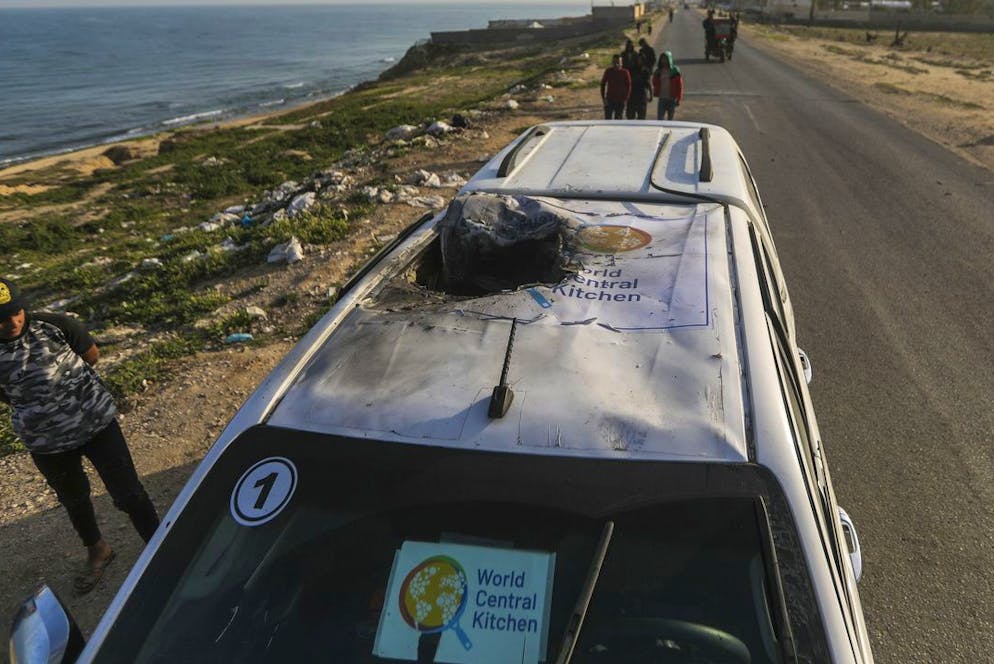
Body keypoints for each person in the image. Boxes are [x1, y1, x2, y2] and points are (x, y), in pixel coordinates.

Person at [0, 278, 159, 595]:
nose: (10, 322)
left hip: (97, 425)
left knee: (129, 493)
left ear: (21, 306)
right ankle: (98, 549)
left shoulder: (54, 325)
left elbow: (91, 355)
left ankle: (159, 545)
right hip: (47, 443)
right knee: (74, 498)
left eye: (14, 312)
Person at [652, 51, 684, 121]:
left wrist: (678, 99)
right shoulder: (659, 71)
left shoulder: (675, 71)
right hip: (662, 98)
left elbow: (680, 86)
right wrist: (656, 75)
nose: (664, 61)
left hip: (672, 99)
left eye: (666, 59)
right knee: (660, 119)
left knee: (670, 120)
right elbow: (654, 83)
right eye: (662, 59)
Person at [600, 54, 631, 120]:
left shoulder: (625, 72)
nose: (616, 64)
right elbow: (603, 84)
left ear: (621, 63)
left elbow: (629, 86)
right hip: (609, 100)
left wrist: (625, 99)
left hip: (620, 100)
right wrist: (604, 98)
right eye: (614, 62)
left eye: (618, 62)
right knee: (608, 120)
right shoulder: (608, 71)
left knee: (618, 121)